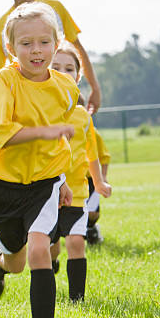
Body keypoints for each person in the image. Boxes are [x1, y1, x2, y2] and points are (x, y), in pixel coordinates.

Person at [0, 2, 79, 318]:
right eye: (25, 44)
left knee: (40, 251)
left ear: (56, 43)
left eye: (43, 42)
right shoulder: (6, 80)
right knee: (16, 261)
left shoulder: (66, 88)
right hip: (4, 187)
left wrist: (62, 180)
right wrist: (47, 131)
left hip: (45, 184)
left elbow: (60, 142)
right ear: (11, 49)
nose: (35, 50)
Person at [0, 0, 101, 114]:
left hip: (61, 95)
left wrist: (95, 88)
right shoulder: (0, 27)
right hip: (25, 101)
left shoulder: (55, 8)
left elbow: (77, 48)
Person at [49, 41, 111, 301]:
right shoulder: (39, 111)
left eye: (69, 69)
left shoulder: (83, 116)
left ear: (77, 76)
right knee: (49, 249)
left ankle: (77, 299)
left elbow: (91, 154)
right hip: (45, 194)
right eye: (56, 67)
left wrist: (99, 182)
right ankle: (47, 281)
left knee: (76, 242)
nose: (63, 73)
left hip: (76, 193)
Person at [85, 129, 111, 245]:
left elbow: (104, 156)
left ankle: (91, 228)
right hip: (71, 179)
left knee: (93, 213)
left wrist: (103, 176)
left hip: (91, 178)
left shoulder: (93, 132)